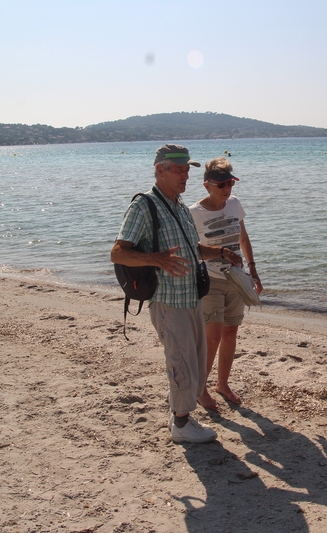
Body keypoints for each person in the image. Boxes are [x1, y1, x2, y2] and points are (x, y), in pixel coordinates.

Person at [110, 145, 242, 444]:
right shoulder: (143, 207)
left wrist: (221, 251)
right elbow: (118, 253)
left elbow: (192, 249)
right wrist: (155, 259)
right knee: (180, 362)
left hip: (191, 297)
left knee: (194, 363)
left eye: (187, 170)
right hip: (168, 302)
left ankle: (181, 415)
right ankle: (181, 425)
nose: (185, 175)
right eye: (179, 170)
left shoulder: (180, 207)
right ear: (161, 170)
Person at [189, 157, 263, 410]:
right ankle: (201, 388)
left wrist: (253, 270)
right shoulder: (194, 213)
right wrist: (220, 253)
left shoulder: (234, 205)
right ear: (207, 185)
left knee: (231, 331)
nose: (227, 189)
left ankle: (222, 384)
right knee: (213, 336)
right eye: (221, 185)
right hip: (210, 279)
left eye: (230, 183)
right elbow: (192, 250)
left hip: (236, 279)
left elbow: (243, 237)